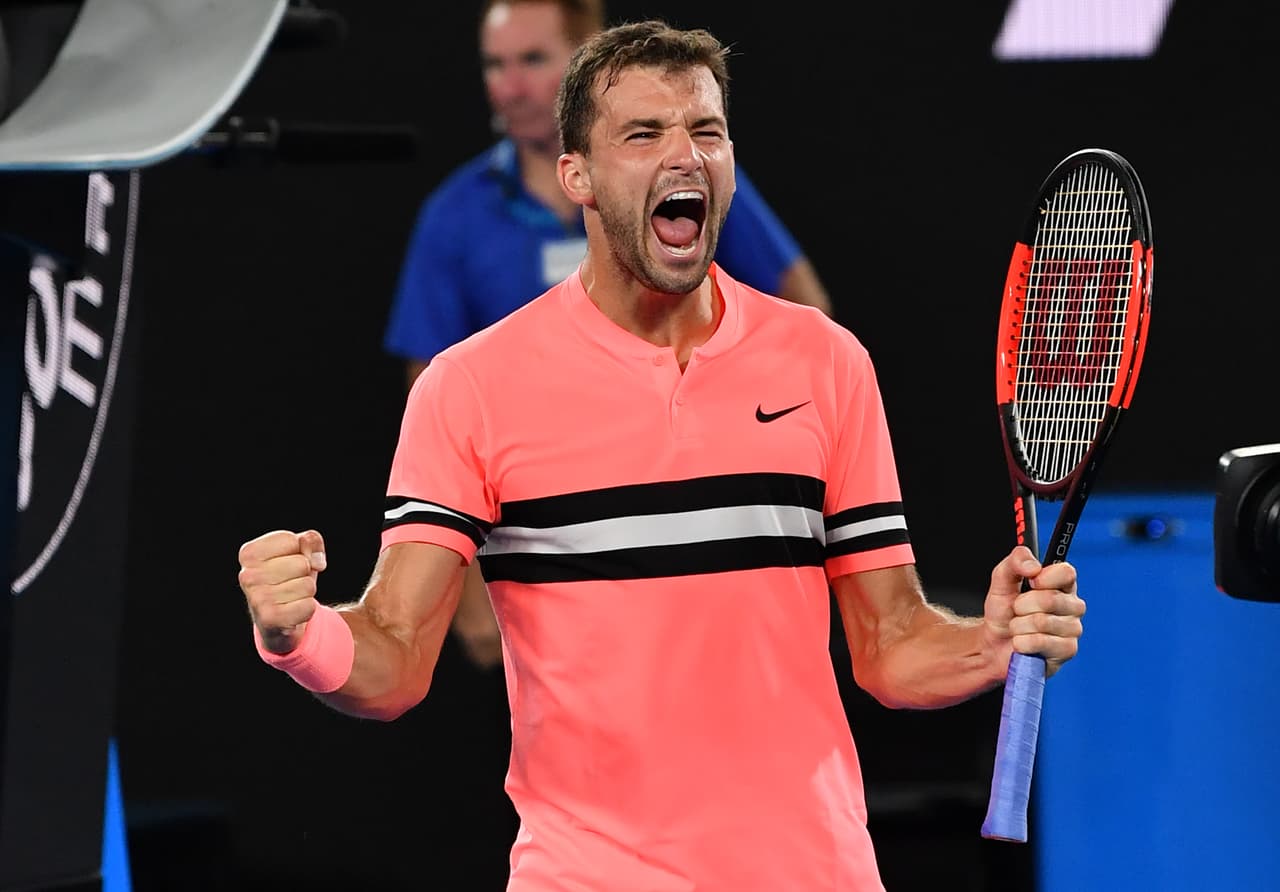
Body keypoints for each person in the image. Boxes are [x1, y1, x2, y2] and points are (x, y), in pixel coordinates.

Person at [239, 20, 1086, 891]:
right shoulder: (468, 389)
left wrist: (992, 642)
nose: (685, 155)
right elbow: (392, 661)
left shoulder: (827, 364)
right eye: (644, 134)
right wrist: (300, 635)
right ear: (579, 176)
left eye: (706, 132)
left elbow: (891, 644)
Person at [383, 0, 835, 669]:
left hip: (697, 574)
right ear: (577, 177)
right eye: (495, 65)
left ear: (585, 63)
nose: (511, 85)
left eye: (533, 60)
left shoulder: (685, 180)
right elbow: (432, 410)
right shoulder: (453, 217)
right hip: (538, 570)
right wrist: (470, 596)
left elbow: (807, 322)